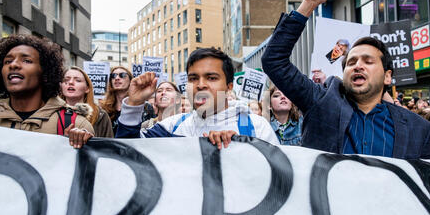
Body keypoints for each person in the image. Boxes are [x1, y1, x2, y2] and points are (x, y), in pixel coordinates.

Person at [261, 0, 430, 159]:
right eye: (351, 62)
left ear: (387, 76)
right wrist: (309, 3)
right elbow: (274, 60)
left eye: (368, 61)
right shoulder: (321, 101)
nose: (358, 65)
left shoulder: (419, 129)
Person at [116, 47, 279, 149]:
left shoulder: (256, 127)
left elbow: (279, 180)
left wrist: (239, 146)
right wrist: (134, 103)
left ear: (229, 86)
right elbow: (127, 152)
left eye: (212, 78)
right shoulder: (172, 126)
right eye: (193, 78)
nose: (200, 85)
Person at [0, 35, 94, 143]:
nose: (13, 65)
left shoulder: (75, 124)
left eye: (26, 60)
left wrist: (72, 145)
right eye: (8, 61)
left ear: (45, 72)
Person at [61, 66, 113, 137]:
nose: (70, 82)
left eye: (78, 80)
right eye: (66, 80)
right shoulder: (51, 112)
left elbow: (108, 145)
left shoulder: (100, 115)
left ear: (87, 88)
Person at [99, 66, 133, 135]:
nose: (117, 78)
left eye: (122, 75)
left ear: (130, 80)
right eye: (113, 76)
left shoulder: (144, 107)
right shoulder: (102, 108)